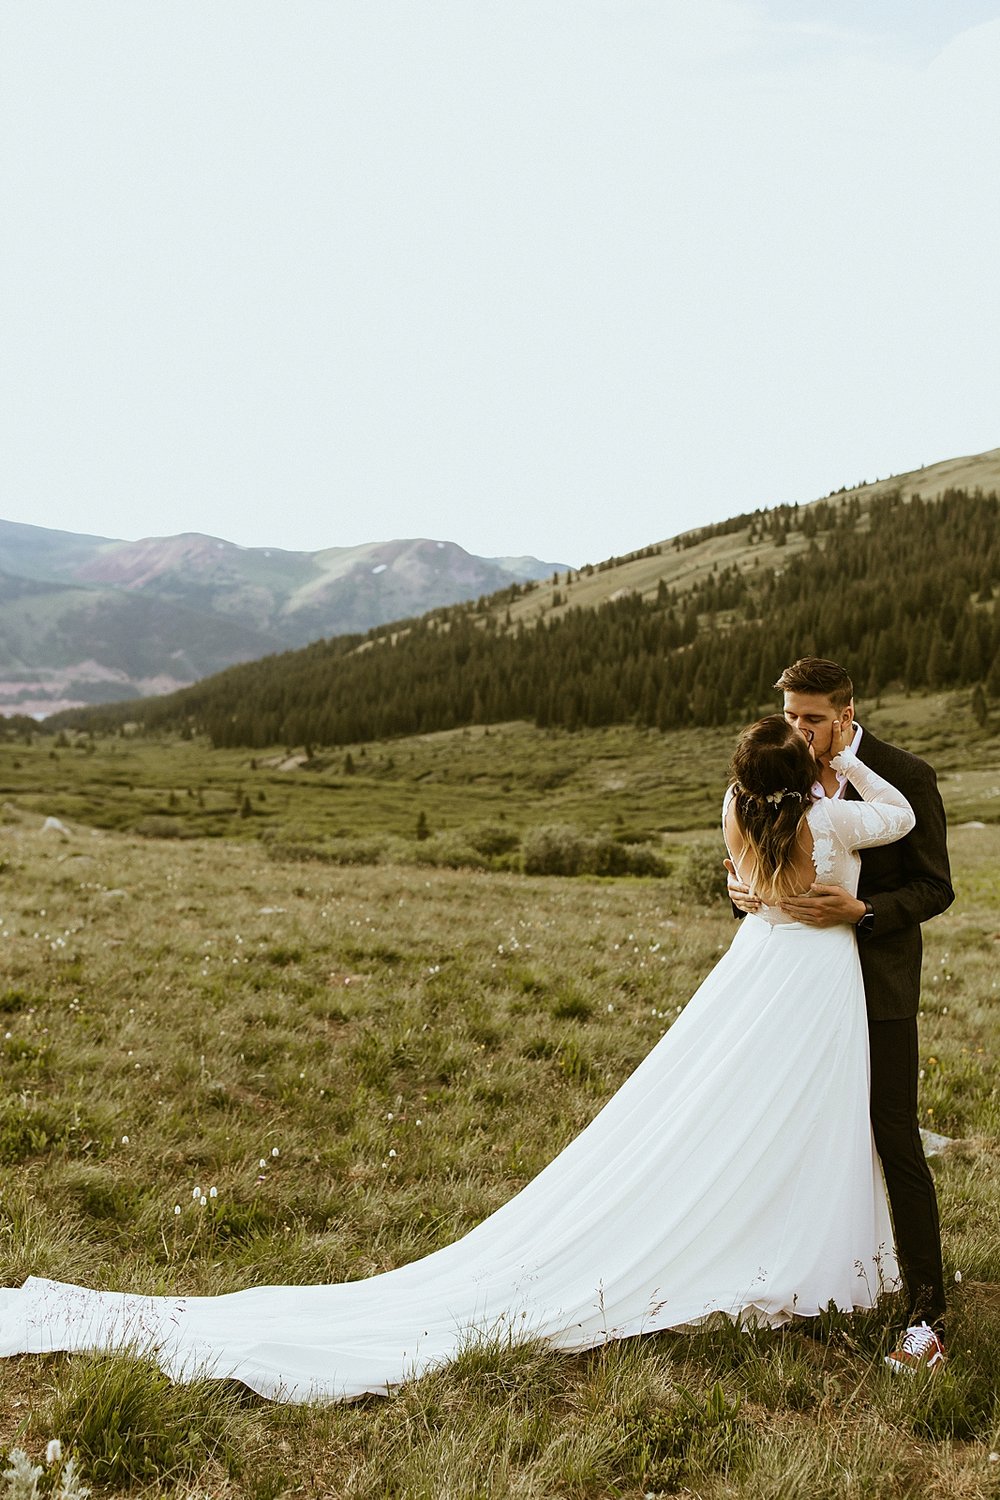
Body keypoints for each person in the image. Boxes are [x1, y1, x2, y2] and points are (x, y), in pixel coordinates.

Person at [0, 715, 917, 1404]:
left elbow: (750, 879)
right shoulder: (829, 828)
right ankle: (805, 1255)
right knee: (813, 1111)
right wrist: (850, 760)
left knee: (729, 1106)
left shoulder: (736, 816)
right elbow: (900, 813)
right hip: (816, 980)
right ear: (805, 773)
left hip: (755, 966)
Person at [727, 658, 954, 1374]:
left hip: (876, 985)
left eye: (813, 717)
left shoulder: (904, 774)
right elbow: (751, 861)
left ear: (847, 712)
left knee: (893, 1135)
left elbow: (935, 887)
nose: (800, 729)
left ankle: (927, 1311)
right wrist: (740, 893)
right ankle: (808, 1277)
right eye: (792, 716)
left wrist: (865, 913)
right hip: (796, 988)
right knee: (788, 1129)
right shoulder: (771, 771)